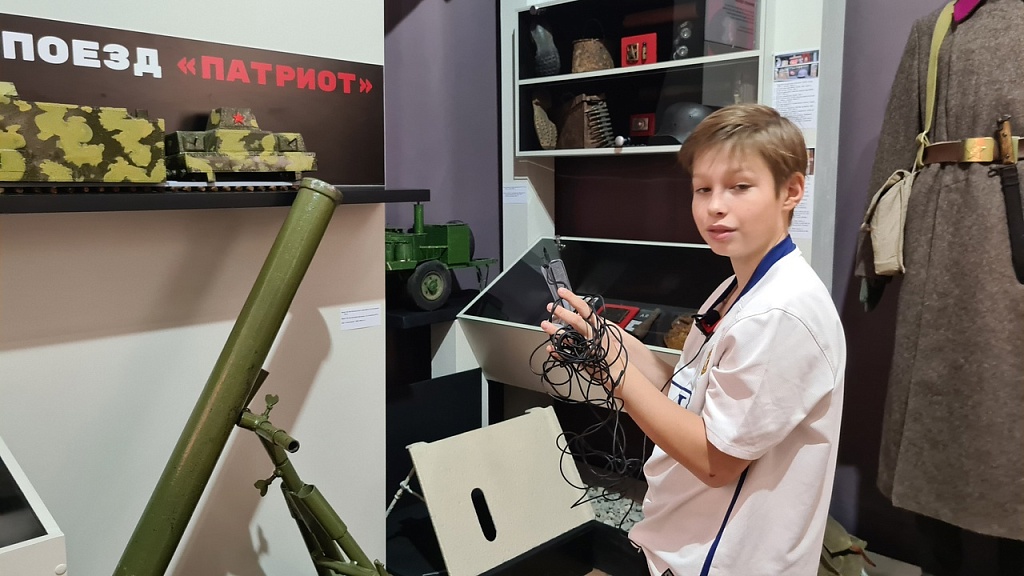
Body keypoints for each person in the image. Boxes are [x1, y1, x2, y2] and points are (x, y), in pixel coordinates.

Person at [541, 103, 846, 575]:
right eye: (703, 189)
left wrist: (618, 375)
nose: (715, 205)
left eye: (739, 186)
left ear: (790, 191)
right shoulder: (735, 288)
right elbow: (687, 392)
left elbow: (715, 460)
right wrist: (609, 343)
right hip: (678, 544)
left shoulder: (781, 312)